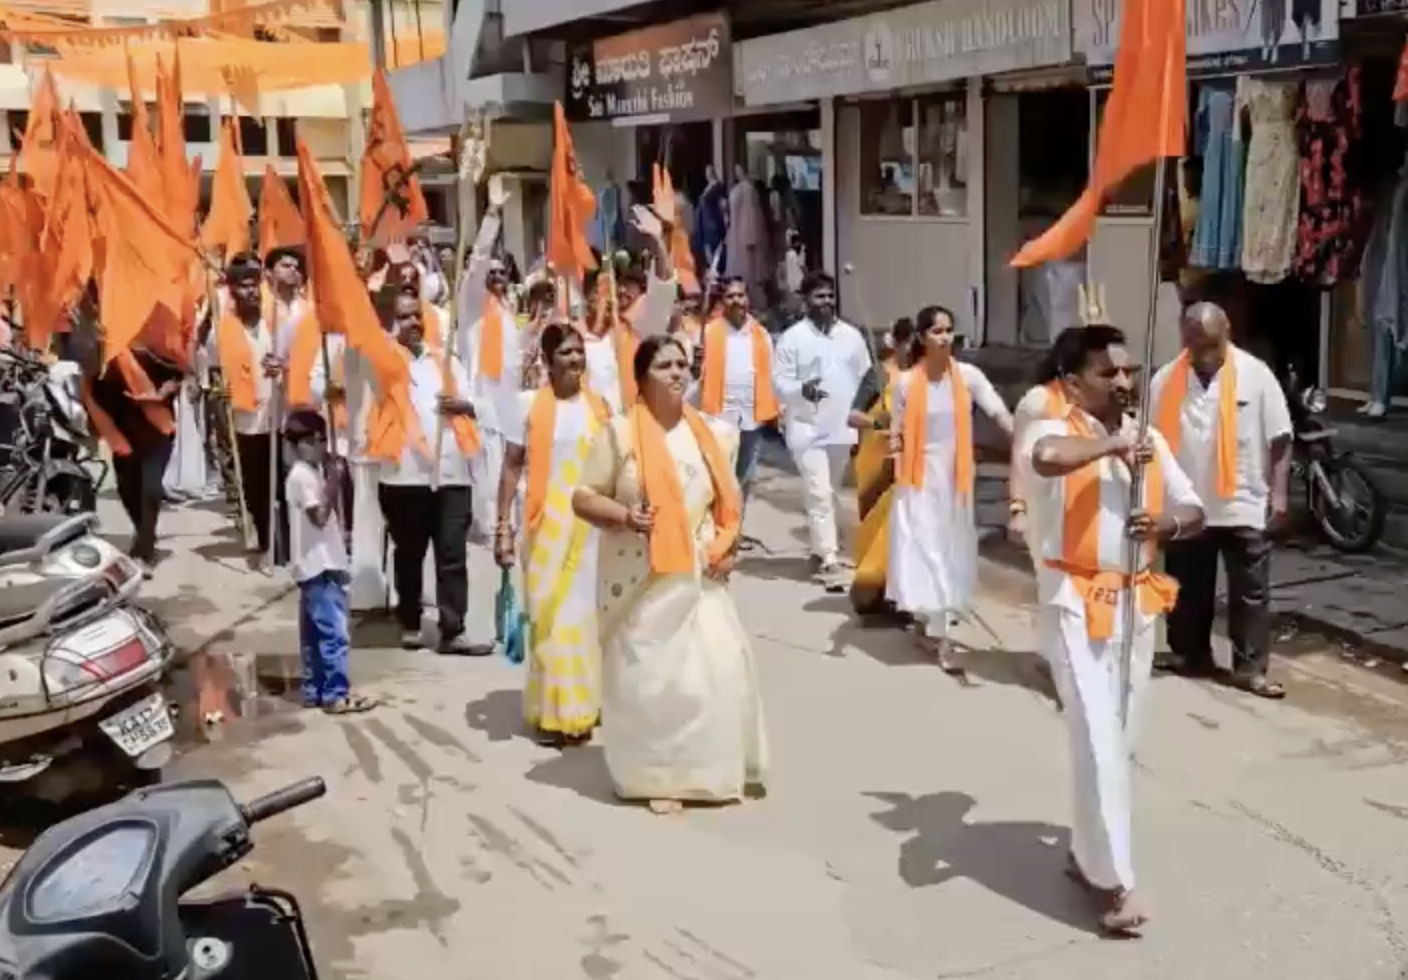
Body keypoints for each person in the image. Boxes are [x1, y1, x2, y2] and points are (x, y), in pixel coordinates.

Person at [1014, 325, 1205, 934]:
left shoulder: (1148, 438)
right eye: (1108, 373)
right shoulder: (1052, 428)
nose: (1124, 382)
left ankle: (1084, 851)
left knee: (1116, 744)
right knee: (1098, 738)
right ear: (1073, 383)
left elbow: (1194, 507)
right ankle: (1116, 884)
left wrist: (1165, 525)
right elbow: (1046, 461)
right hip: (1076, 604)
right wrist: (1109, 448)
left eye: (1128, 371)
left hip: (1137, 604)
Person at [572, 335, 767, 814]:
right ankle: (653, 777)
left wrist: (729, 550)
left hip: (700, 572)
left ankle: (707, 773)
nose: (679, 373)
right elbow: (581, 496)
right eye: (666, 366)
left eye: (684, 364)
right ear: (642, 378)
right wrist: (624, 516)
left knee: (713, 674)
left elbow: (729, 506)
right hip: (642, 576)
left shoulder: (716, 435)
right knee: (653, 683)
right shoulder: (618, 434)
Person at [1151, 301, 1292, 700]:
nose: (1204, 354)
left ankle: (1250, 669)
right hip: (1188, 502)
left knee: (1250, 591)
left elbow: (1280, 438)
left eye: (1211, 343)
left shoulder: (1255, 375)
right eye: (1195, 345)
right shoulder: (1166, 379)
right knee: (1187, 586)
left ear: (1227, 330)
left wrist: (1279, 494)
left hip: (1243, 500)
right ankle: (1191, 655)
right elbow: (1151, 440)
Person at [495, 322, 610, 747]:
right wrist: (503, 527)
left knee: (584, 618)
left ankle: (583, 706)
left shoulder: (600, 407)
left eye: (579, 351)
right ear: (546, 360)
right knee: (551, 618)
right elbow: (510, 466)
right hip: (545, 528)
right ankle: (552, 710)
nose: (576, 360)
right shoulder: (527, 405)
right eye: (566, 352)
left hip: (591, 530)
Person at [887, 306, 1013, 669]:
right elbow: (896, 428)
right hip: (918, 479)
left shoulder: (969, 376)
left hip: (955, 478)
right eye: (937, 331)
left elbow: (998, 412)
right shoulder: (907, 382)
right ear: (922, 338)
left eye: (949, 331)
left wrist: (1021, 438)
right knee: (925, 549)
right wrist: (894, 442)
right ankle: (940, 636)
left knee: (948, 548)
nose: (945, 338)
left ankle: (933, 624)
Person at [371, 286, 487, 655]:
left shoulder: (446, 357)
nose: (413, 323)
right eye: (403, 316)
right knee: (409, 553)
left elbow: (475, 402)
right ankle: (409, 619)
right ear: (390, 322)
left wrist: (462, 404)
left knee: (452, 554)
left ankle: (453, 629)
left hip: (450, 472)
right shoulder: (381, 360)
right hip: (404, 476)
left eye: (417, 314)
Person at [773, 271, 872, 589]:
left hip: (841, 429)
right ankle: (829, 558)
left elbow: (868, 377)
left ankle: (820, 547)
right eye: (819, 296)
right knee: (818, 490)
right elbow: (779, 382)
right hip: (805, 428)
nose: (826, 302)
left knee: (830, 491)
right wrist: (802, 391)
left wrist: (862, 413)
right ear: (806, 301)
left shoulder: (852, 336)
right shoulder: (793, 338)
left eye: (830, 296)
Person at [284, 410, 375, 715]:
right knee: (334, 632)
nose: (319, 446)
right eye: (312, 441)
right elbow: (320, 517)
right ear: (301, 444)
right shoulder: (303, 476)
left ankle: (315, 689)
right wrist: (334, 480)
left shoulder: (310, 473)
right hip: (320, 565)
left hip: (315, 563)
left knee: (312, 635)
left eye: (320, 440)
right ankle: (335, 693)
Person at [213, 252, 289, 567]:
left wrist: (282, 368)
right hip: (247, 419)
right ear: (232, 292)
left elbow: (296, 358)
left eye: (254, 284)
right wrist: (222, 386)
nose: (252, 291)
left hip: (280, 414)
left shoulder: (278, 320)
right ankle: (267, 539)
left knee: (284, 484)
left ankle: (285, 543)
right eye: (243, 286)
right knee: (257, 486)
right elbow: (211, 367)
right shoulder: (224, 328)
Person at [455, 178, 517, 539]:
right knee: (485, 475)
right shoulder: (472, 306)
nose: (495, 277)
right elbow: (477, 262)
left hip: (508, 406)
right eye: (490, 274)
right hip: (482, 405)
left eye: (501, 273)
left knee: (507, 471)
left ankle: (504, 524)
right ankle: (491, 530)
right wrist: (492, 215)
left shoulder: (508, 311)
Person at [87, 346, 184, 576]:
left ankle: (144, 552)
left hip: (156, 432)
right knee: (127, 491)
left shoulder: (149, 350)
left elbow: (179, 376)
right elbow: (91, 397)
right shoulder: (96, 362)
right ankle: (143, 533)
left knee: (150, 490)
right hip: (123, 438)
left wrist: (158, 395)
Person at [848, 316, 916, 616]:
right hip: (875, 462)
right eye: (911, 344)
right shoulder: (880, 374)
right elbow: (852, 416)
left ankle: (901, 595)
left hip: (906, 464)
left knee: (903, 532)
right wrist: (879, 421)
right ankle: (871, 594)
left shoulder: (924, 378)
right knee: (874, 531)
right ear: (898, 344)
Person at [691, 276, 779, 504]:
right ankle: (718, 532)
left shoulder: (761, 335)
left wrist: (779, 410)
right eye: (730, 296)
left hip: (751, 418)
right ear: (722, 301)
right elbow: (693, 378)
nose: (736, 300)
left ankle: (734, 534)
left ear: (747, 299)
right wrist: (695, 364)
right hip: (718, 419)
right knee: (718, 479)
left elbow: (772, 375)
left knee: (744, 480)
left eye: (740, 295)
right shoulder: (708, 333)